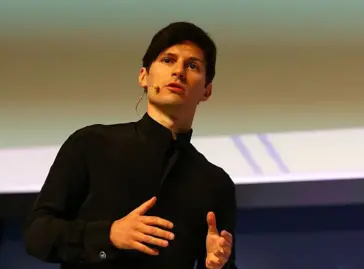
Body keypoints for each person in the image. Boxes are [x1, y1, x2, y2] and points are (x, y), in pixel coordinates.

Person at [24, 21, 237, 269]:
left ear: (207, 91)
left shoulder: (216, 183)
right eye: (168, 60)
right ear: (143, 76)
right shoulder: (91, 144)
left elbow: (222, 262)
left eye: (192, 65)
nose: (179, 71)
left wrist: (216, 266)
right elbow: (36, 235)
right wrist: (109, 235)